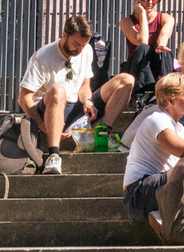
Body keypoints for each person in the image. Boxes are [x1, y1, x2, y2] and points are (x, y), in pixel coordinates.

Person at [17, 16, 134, 175]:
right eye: (76, 44)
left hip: (76, 109)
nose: (79, 50)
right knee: (59, 91)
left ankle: (100, 137)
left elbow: (84, 85)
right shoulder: (43, 57)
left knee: (126, 80)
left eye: (84, 45)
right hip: (49, 111)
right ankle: (54, 154)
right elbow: (23, 98)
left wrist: (87, 100)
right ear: (64, 35)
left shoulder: (86, 50)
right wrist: (41, 124)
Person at [122, 72, 184, 222]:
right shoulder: (158, 120)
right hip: (137, 196)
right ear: (170, 100)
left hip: (155, 191)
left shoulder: (178, 128)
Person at [118, 0, 176, 96]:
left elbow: (164, 35)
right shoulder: (126, 22)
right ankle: (141, 94)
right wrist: (143, 14)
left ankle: (166, 91)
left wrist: (161, 45)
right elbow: (142, 41)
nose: (150, 2)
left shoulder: (167, 18)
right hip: (136, 70)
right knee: (143, 48)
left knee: (164, 52)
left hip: (155, 69)